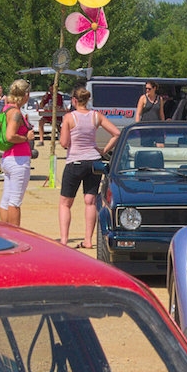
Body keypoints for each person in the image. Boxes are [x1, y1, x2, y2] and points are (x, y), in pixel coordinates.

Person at [58, 85, 120, 249]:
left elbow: (64, 143)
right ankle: (88, 240)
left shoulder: (69, 117)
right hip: (93, 161)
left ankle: (64, 240)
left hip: (75, 161)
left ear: (74, 100)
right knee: (90, 201)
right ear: (87, 100)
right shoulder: (96, 116)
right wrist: (104, 150)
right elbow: (116, 133)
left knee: (65, 202)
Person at [0, 79, 35, 228]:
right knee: (15, 201)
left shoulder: (6, 108)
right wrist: (27, 137)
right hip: (18, 160)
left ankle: (5, 232)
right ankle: (15, 233)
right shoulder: (16, 113)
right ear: (25, 94)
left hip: (8, 157)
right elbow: (10, 136)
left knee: (6, 200)